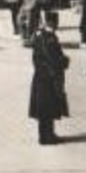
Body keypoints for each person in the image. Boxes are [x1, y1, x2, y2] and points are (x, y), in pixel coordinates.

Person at [29, 10, 69, 145]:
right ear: (52, 22)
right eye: (56, 22)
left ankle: (47, 134)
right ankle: (46, 137)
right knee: (48, 108)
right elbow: (53, 57)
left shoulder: (39, 35)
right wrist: (64, 61)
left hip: (40, 76)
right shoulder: (50, 38)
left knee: (44, 110)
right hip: (48, 77)